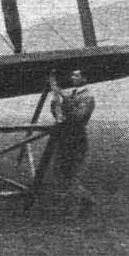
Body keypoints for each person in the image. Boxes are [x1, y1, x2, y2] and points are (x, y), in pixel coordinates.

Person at [48, 69, 96, 217]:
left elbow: (78, 117)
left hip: (76, 138)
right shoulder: (74, 94)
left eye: (76, 75)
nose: (72, 77)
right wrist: (56, 98)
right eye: (72, 75)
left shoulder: (87, 96)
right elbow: (60, 114)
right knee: (60, 173)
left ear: (85, 78)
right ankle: (86, 200)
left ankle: (75, 210)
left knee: (71, 175)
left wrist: (61, 95)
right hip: (66, 137)